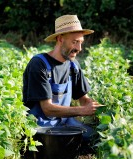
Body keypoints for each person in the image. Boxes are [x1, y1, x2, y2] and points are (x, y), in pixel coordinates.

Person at [22, 15, 103, 145]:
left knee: (96, 138)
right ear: (60, 39)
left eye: (81, 42)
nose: (79, 48)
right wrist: (82, 110)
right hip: (40, 126)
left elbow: (83, 98)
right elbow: (47, 109)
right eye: (75, 42)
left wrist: (94, 106)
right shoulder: (39, 64)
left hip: (64, 122)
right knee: (62, 146)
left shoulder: (73, 65)